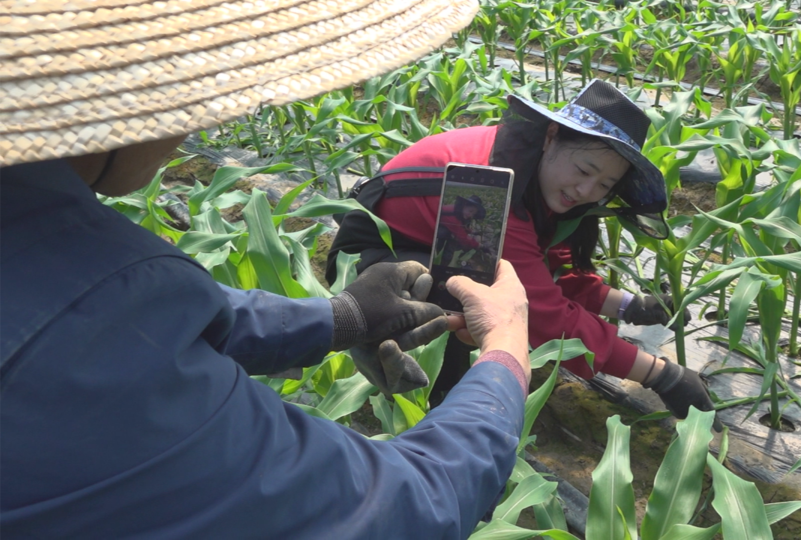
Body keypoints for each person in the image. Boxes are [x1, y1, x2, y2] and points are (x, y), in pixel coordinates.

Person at [1, 1, 536, 538]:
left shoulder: (54, 255)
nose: (205, 119)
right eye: (194, 86)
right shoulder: (97, 337)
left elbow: (124, 317)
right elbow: (404, 506)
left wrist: (340, 318)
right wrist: (506, 352)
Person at [327, 79, 714, 418]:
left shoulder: (530, 168)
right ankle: (422, 388)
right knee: (475, 298)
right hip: (372, 264)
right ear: (551, 136)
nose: (587, 191)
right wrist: (661, 375)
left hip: (430, 249)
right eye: (584, 171)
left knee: (479, 290)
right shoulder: (488, 191)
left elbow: (548, 268)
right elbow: (545, 312)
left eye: (604, 185)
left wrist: (631, 306)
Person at [437, 195, 487, 266]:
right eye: (470, 211)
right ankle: (440, 255)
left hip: (442, 225)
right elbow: (463, 237)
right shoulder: (453, 216)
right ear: (465, 205)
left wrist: (471, 231)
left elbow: (460, 226)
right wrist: (480, 246)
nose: (470, 215)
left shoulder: (458, 210)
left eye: (473, 214)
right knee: (447, 235)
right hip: (435, 228)